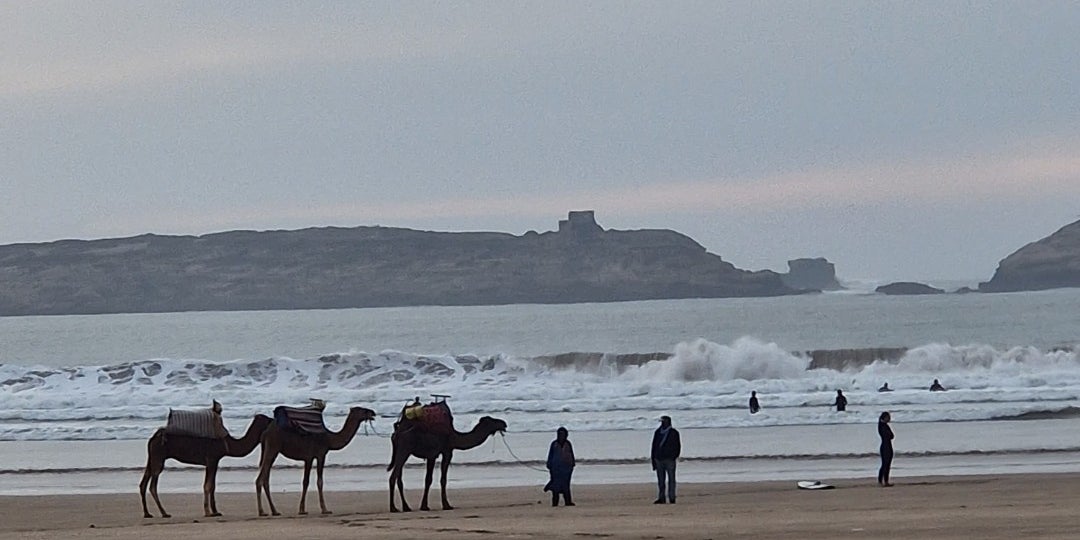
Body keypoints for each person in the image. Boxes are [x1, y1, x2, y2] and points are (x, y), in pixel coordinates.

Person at [650, 415, 681, 504]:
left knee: (671, 479)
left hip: (669, 460)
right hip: (658, 459)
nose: (662, 423)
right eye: (662, 422)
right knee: (661, 480)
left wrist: (674, 457)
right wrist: (653, 460)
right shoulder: (658, 432)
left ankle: (672, 497)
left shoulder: (674, 432)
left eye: (664, 421)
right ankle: (661, 497)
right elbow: (654, 447)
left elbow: (677, 446)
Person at [544, 427, 576, 506]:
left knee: (566, 486)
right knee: (556, 487)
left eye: (563, 434)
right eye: (560, 434)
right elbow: (550, 455)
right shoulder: (554, 444)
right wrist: (549, 464)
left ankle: (568, 502)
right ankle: (555, 503)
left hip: (566, 468)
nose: (561, 436)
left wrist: (572, 463)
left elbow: (571, 454)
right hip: (555, 468)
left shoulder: (568, 443)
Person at [878, 411, 894, 487]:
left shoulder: (885, 425)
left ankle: (885, 480)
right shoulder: (882, 425)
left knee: (887, 464)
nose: (889, 419)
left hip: (888, 445)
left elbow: (892, 436)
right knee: (885, 464)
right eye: (888, 417)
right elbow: (888, 436)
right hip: (885, 446)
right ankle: (882, 481)